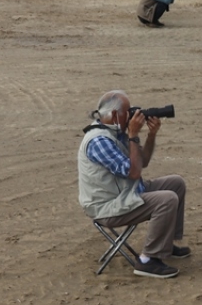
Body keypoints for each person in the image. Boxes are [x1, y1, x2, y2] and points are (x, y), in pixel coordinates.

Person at [77, 90, 191, 278]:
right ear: (115, 115)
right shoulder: (99, 140)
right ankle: (147, 260)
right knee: (167, 199)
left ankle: (165, 245)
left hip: (125, 194)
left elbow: (142, 162)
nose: (132, 115)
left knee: (176, 184)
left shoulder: (115, 131)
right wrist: (133, 135)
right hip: (108, 206)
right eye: (128, 112)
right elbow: (134, 172)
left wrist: (151, 135)